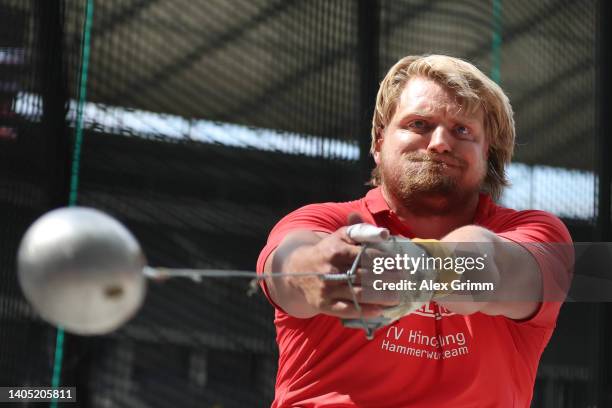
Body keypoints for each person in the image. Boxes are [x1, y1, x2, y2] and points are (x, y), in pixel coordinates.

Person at [256, 55, 573, 407]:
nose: (439, 142)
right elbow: (287, 265)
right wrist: (316, 270)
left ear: (489, 154)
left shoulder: (536, 230)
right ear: (379, 142)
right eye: (419, 124)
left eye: (462, 130)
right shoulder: (325, 221)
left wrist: (418, 267)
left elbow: (491, 266)